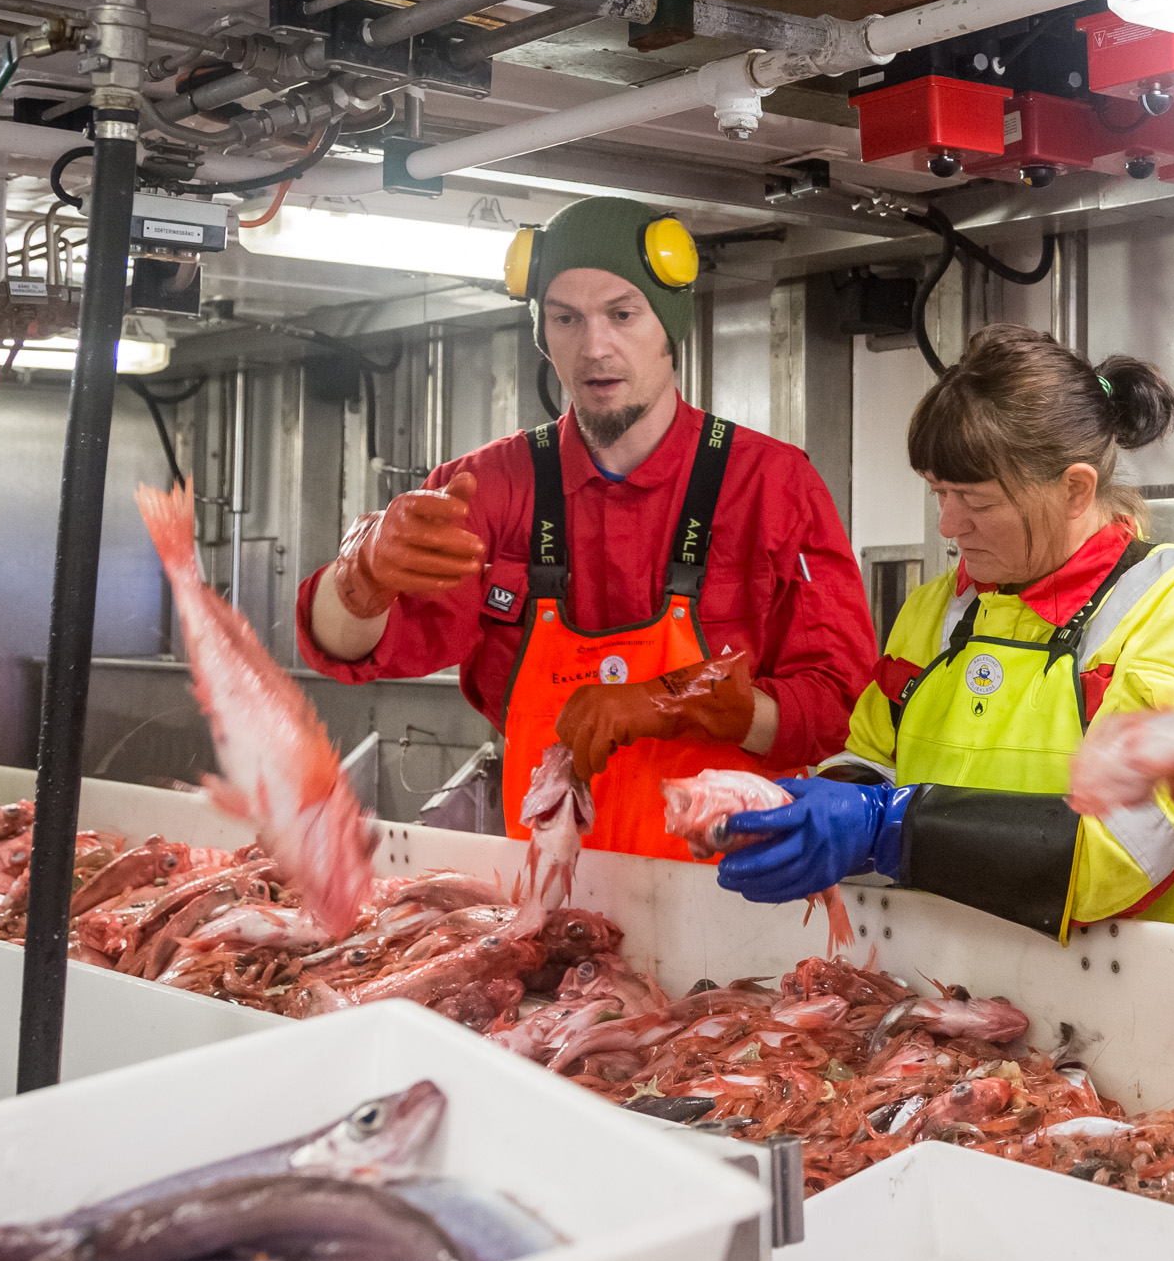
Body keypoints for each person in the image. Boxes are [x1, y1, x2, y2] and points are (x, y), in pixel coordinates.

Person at [295, 197, 874, 859]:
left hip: (734, 902)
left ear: (666, 326)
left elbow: (833, 710)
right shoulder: (487, 487)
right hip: (551, 900)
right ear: (543, 332)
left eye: (622, 314)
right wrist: (359, 582)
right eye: (566, 318)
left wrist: (681, 704)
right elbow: (353, 650)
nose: (595, 347)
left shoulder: (772, 485)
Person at [713, 324, 1174, 937]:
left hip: (1162, 1001)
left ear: (1074, 489)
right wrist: (803, 810)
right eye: (938, 494)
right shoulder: (937, 610)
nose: (949, 526)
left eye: (976, 503)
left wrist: (886, 826)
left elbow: (1120, 855)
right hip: (968, 986)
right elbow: (877, 759)